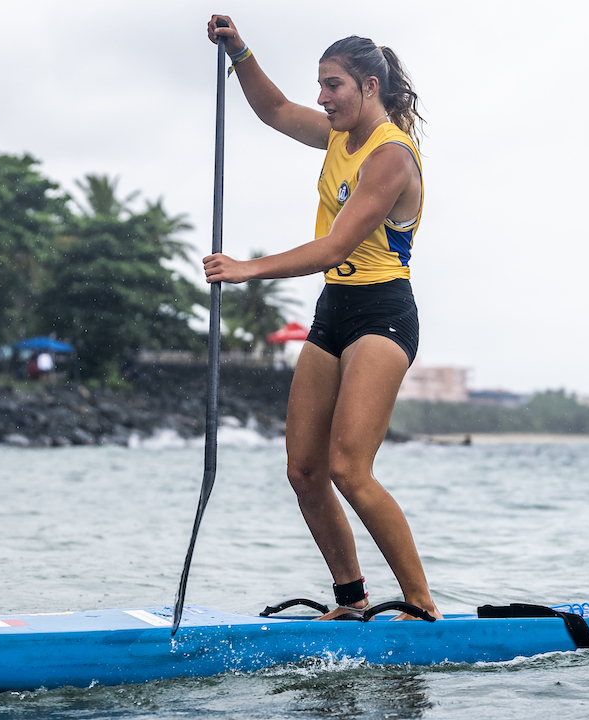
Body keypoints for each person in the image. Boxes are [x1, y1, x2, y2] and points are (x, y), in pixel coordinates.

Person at [205, 16, 441, 621]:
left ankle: (422, 607)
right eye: (320, 83)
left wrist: (246, 269)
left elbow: (335, 248)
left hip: (383, 314)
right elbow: (276, 110)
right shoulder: (339, 134)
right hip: (334, 310)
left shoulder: (391, 156)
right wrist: (240, 50)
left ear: (369, 86)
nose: (321, 97)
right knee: (305, 471)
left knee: (348, 468)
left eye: (332, 85)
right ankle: (351, 600)